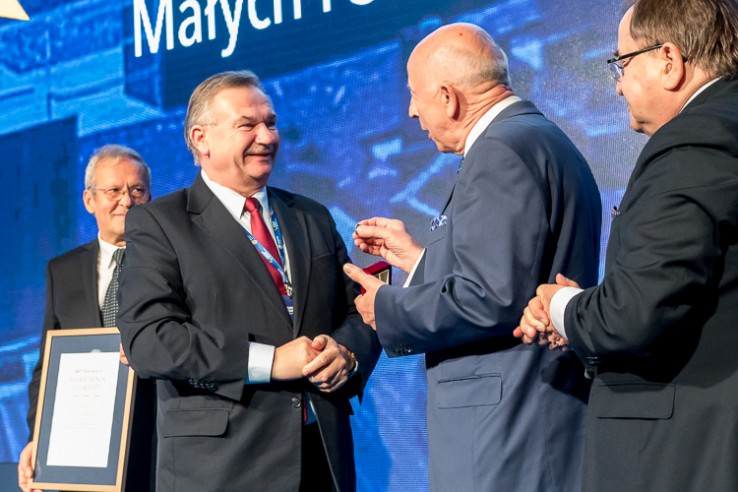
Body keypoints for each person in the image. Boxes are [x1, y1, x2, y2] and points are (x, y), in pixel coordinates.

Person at [342, 23, 602, 492]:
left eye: (414, 95)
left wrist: (386, 307)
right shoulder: (535, 137)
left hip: (507, 433)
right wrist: (418, 261)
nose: (411, 111)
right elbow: (509, 274)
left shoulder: (500, 149)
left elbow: (491, 297)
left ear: (448, 97)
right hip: (528, 422)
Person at [116, 70, 381, 492]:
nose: (267, 136)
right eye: (248, 125)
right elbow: (151, 341)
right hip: (222, 469)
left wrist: (347, 353)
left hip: (321, 459)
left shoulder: (311, 215)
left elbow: (358, 310)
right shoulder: (159, 224)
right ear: (201, 138)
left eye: (271, 123)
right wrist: (271, 362)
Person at [515, 0, 738, 490]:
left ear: (669, 60)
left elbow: (636, 311)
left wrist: (563, 306)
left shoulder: (692, 141)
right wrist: (587, 315)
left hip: (684, 450)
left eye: (622, 62)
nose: (617, 84)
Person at [18, 144, 155, 492]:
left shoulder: (172, 263)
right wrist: (39, 439)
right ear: (89, 200)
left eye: (137, 190)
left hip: (158, 447)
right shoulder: (62, 271)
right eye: (114, 191)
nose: (126, 201)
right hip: (85, 457)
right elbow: (47, 368)